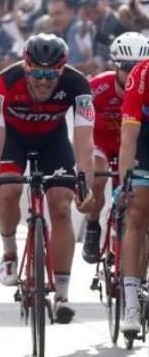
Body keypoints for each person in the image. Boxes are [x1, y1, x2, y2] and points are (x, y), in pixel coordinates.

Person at [0, 33, 95, 324]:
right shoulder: (2, 82)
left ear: (62, 70)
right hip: (12, 140)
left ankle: (62, 294)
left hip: (53, 142)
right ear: (25, 66)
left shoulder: (78, 84)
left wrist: (85, 182)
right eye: (37, 73)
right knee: (8, 194)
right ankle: (9, 253)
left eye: (51, 74)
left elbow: (84, 139)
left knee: (60, 206)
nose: (44, 81)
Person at [82, 32, 149, 264]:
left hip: (132, 146)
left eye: (139, 66)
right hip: (102, 143)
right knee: (99, 179)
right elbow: (82, 125)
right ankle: (92, 226)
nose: (133, 73)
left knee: (136, 199)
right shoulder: (97, 87)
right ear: (115, 65)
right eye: (127, 67)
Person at [118, 47, 149, 334]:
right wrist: (124, 181)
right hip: (145, 142)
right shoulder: (141, 74)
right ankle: (131, 302)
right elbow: (129, 136)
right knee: (137, 214)